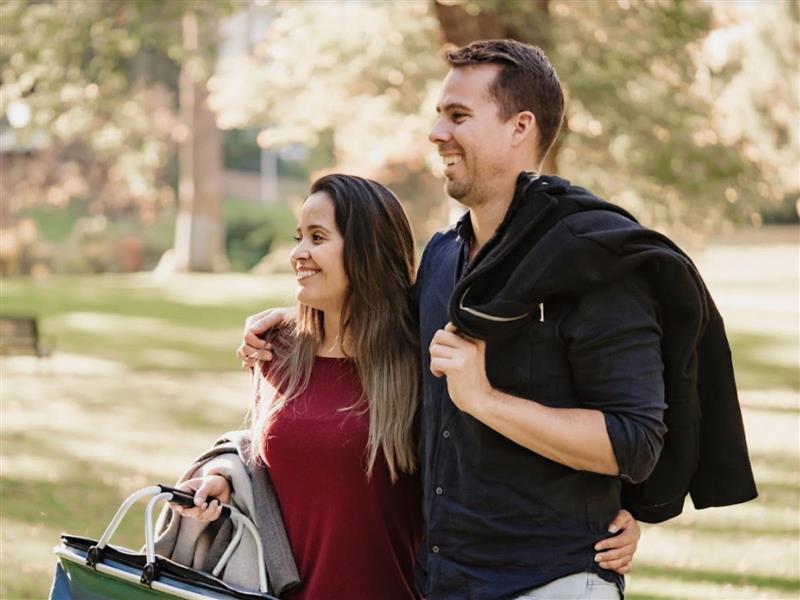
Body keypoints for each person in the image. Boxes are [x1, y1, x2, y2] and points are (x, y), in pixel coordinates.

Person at [240, 39, 757, 600]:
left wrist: (484, 399)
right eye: (439, 115)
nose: (437, 133)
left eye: (458, 116)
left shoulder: (595, 261)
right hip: (447, 584)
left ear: (520, 127)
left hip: (551, 584)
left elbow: (634, 441)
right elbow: (383, 331)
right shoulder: (443, 258)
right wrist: (294, 322)